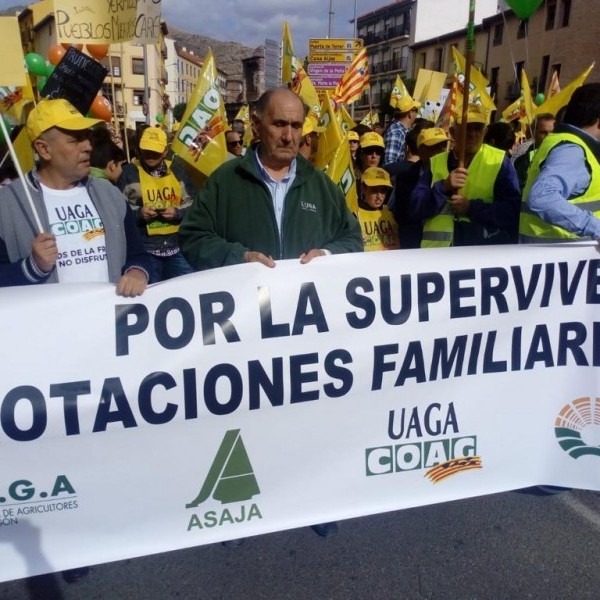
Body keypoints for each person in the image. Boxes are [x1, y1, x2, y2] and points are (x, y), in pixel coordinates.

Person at [179, 87, 363, 270]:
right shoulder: (225, 180)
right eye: (279, 124)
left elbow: (352, 239)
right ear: (257, 125)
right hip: (246, 296)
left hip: (304, 297)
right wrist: (239, 258)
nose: (288, 137)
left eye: (296, 126)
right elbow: (192, 236)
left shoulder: (321, 186)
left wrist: (326, 254)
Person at [0, 98, 150, 296]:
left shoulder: (109, 193)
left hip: (110, 321)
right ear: (44, 149)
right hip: (47, 324)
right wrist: (32, 267)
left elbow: (137, 254)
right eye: (75, 139)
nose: (88, 146)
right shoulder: (8, 203)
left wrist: (137, 272)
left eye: (86, 137)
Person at [410, 104, 521, 247]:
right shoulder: (436, 163)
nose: (472, 134)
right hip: (437, 258)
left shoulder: (499, 162)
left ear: (485, 131)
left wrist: (472, 208)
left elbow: (512, 212)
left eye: (478, 128)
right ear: (453, 132)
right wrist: (443, 187)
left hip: (477, 261)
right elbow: (415, 208)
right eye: (467, 128)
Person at [520, 83, 600, 243]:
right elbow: (542, 197)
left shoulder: (567, 143)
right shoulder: (572, 150)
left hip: (557, 260)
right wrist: (595, 227)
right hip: (563, 258)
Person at [118, 126, 195, 283]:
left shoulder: (178, 171)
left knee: (188, 288)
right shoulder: (127, 173)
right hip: (145, 250)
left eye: (156, 151)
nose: (151, 155)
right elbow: (118, 210)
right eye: (146, 150)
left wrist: (177, 212)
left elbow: (193, 204)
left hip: (177, 247)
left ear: (165, 151)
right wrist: (139, 213)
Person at [390, 126, 449, 249]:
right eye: (435, 147)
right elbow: (399, 213)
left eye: (444, 145)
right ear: (421, 150)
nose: (442, 150)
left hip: (442, 249)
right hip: (413, 246)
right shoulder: (404, 178)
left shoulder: (453, 174)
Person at [358, 167, 399, 251]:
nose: (379, 196)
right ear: (363, 189)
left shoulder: (391, 212)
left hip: (393, 261)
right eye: (374, 190)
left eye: (383, 191)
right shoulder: (355, 214)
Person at [513, 113, 556, 191]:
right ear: (534, 133)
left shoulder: (561, 156)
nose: (549, 136)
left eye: (552, 132)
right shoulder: (522, 161)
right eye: (543, 133)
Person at [383, 97, 421, 167]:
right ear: (410, 113)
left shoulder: (403, 131)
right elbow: (389, 165)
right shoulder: (396, 133)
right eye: (416, 110)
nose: (416, 115)